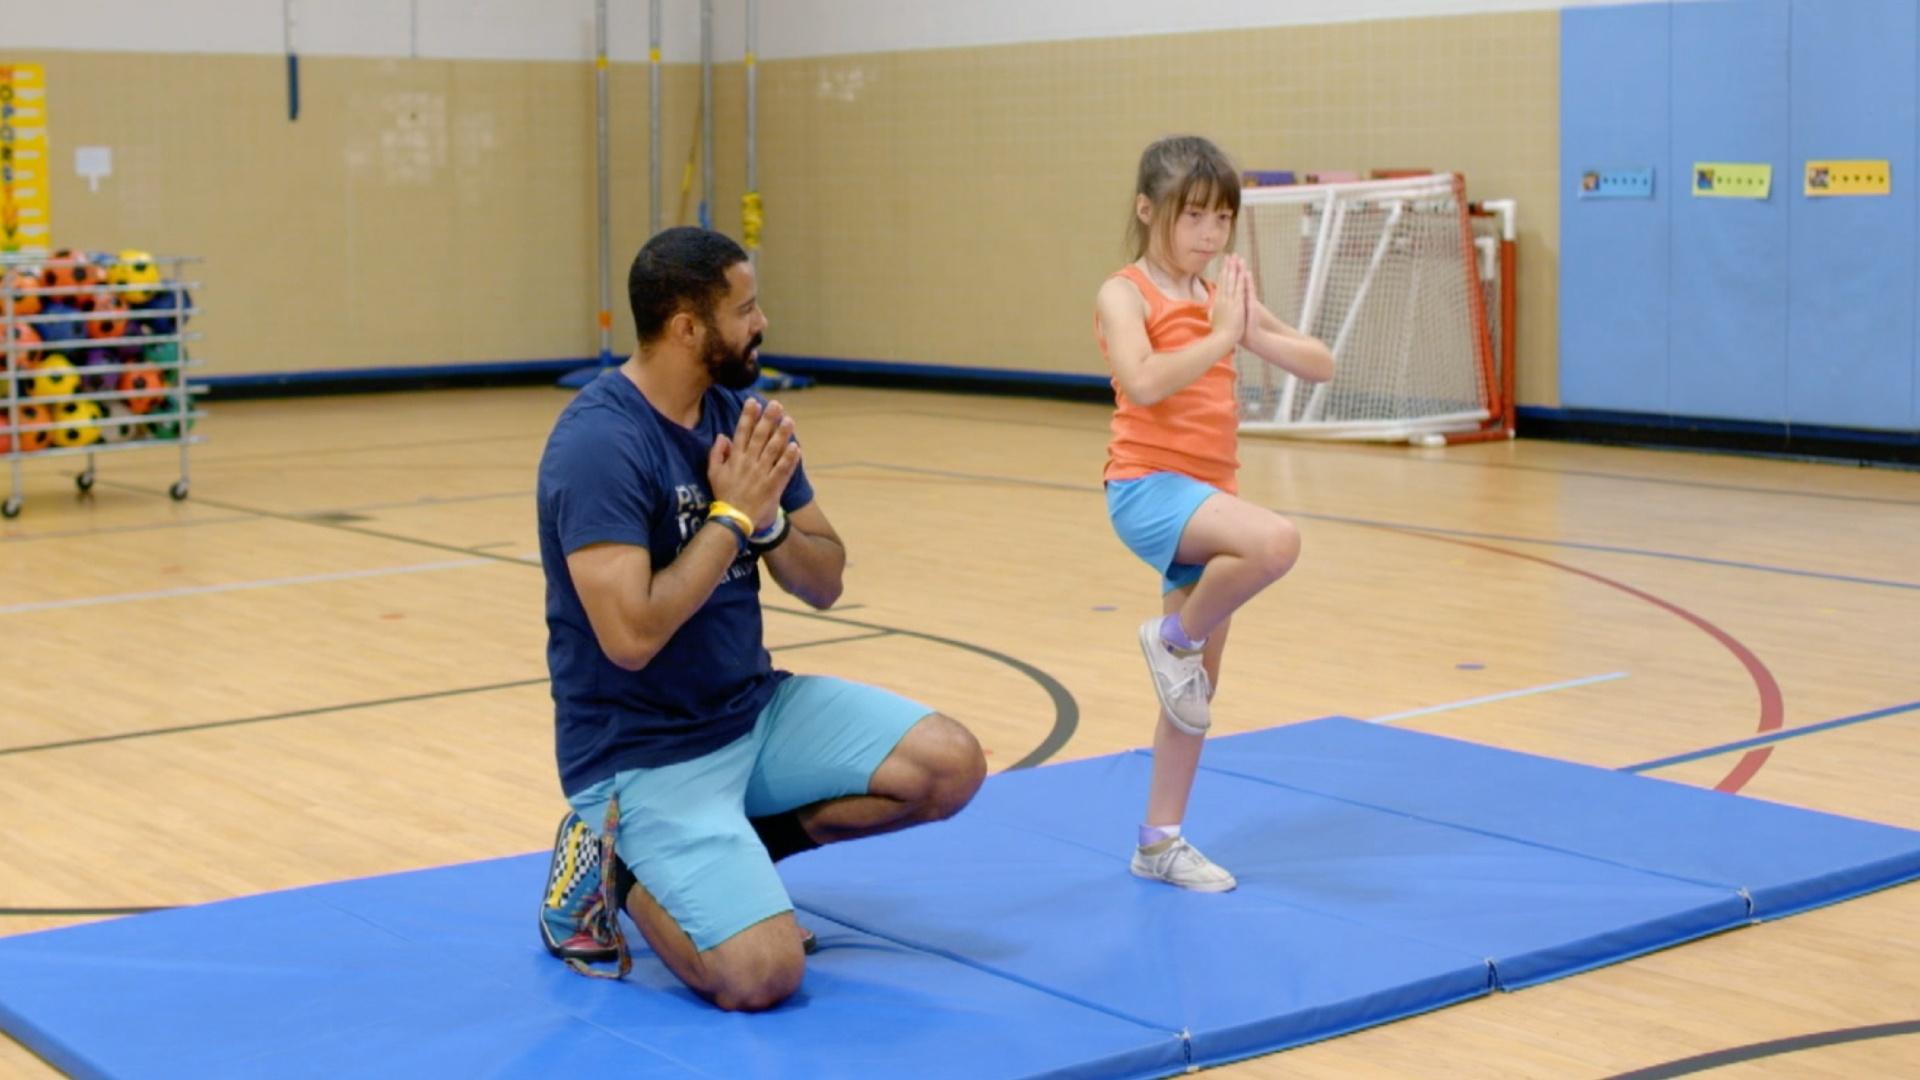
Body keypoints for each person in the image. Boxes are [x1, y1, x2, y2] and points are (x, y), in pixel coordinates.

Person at [534, 227, 986, 1011]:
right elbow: (632, 638)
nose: (762, 321)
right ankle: (622, 868)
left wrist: (771, 524)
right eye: (744, 309)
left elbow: (827, 580)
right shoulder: (599, 443)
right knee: (762, 975)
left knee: (950, 763)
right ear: (686, 327)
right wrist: (733, 518)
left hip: (753, 712)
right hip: (641, 752)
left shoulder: (743, 417)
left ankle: (735, 853)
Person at [1094, 136, 1335, 892]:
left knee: (1194, 696)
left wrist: (1251, 325)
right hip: (1148, 488)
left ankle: (1159, 840)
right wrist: (1225, 335)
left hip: (1209, 498)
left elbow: (1320, 363)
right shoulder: (1124, 292)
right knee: (1277, 542)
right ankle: (1171, 637)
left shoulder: (1220, 293)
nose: (1209, 234)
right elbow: (1144, 379)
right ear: (1147, 210)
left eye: (1221, 219)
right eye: (1192, 216)